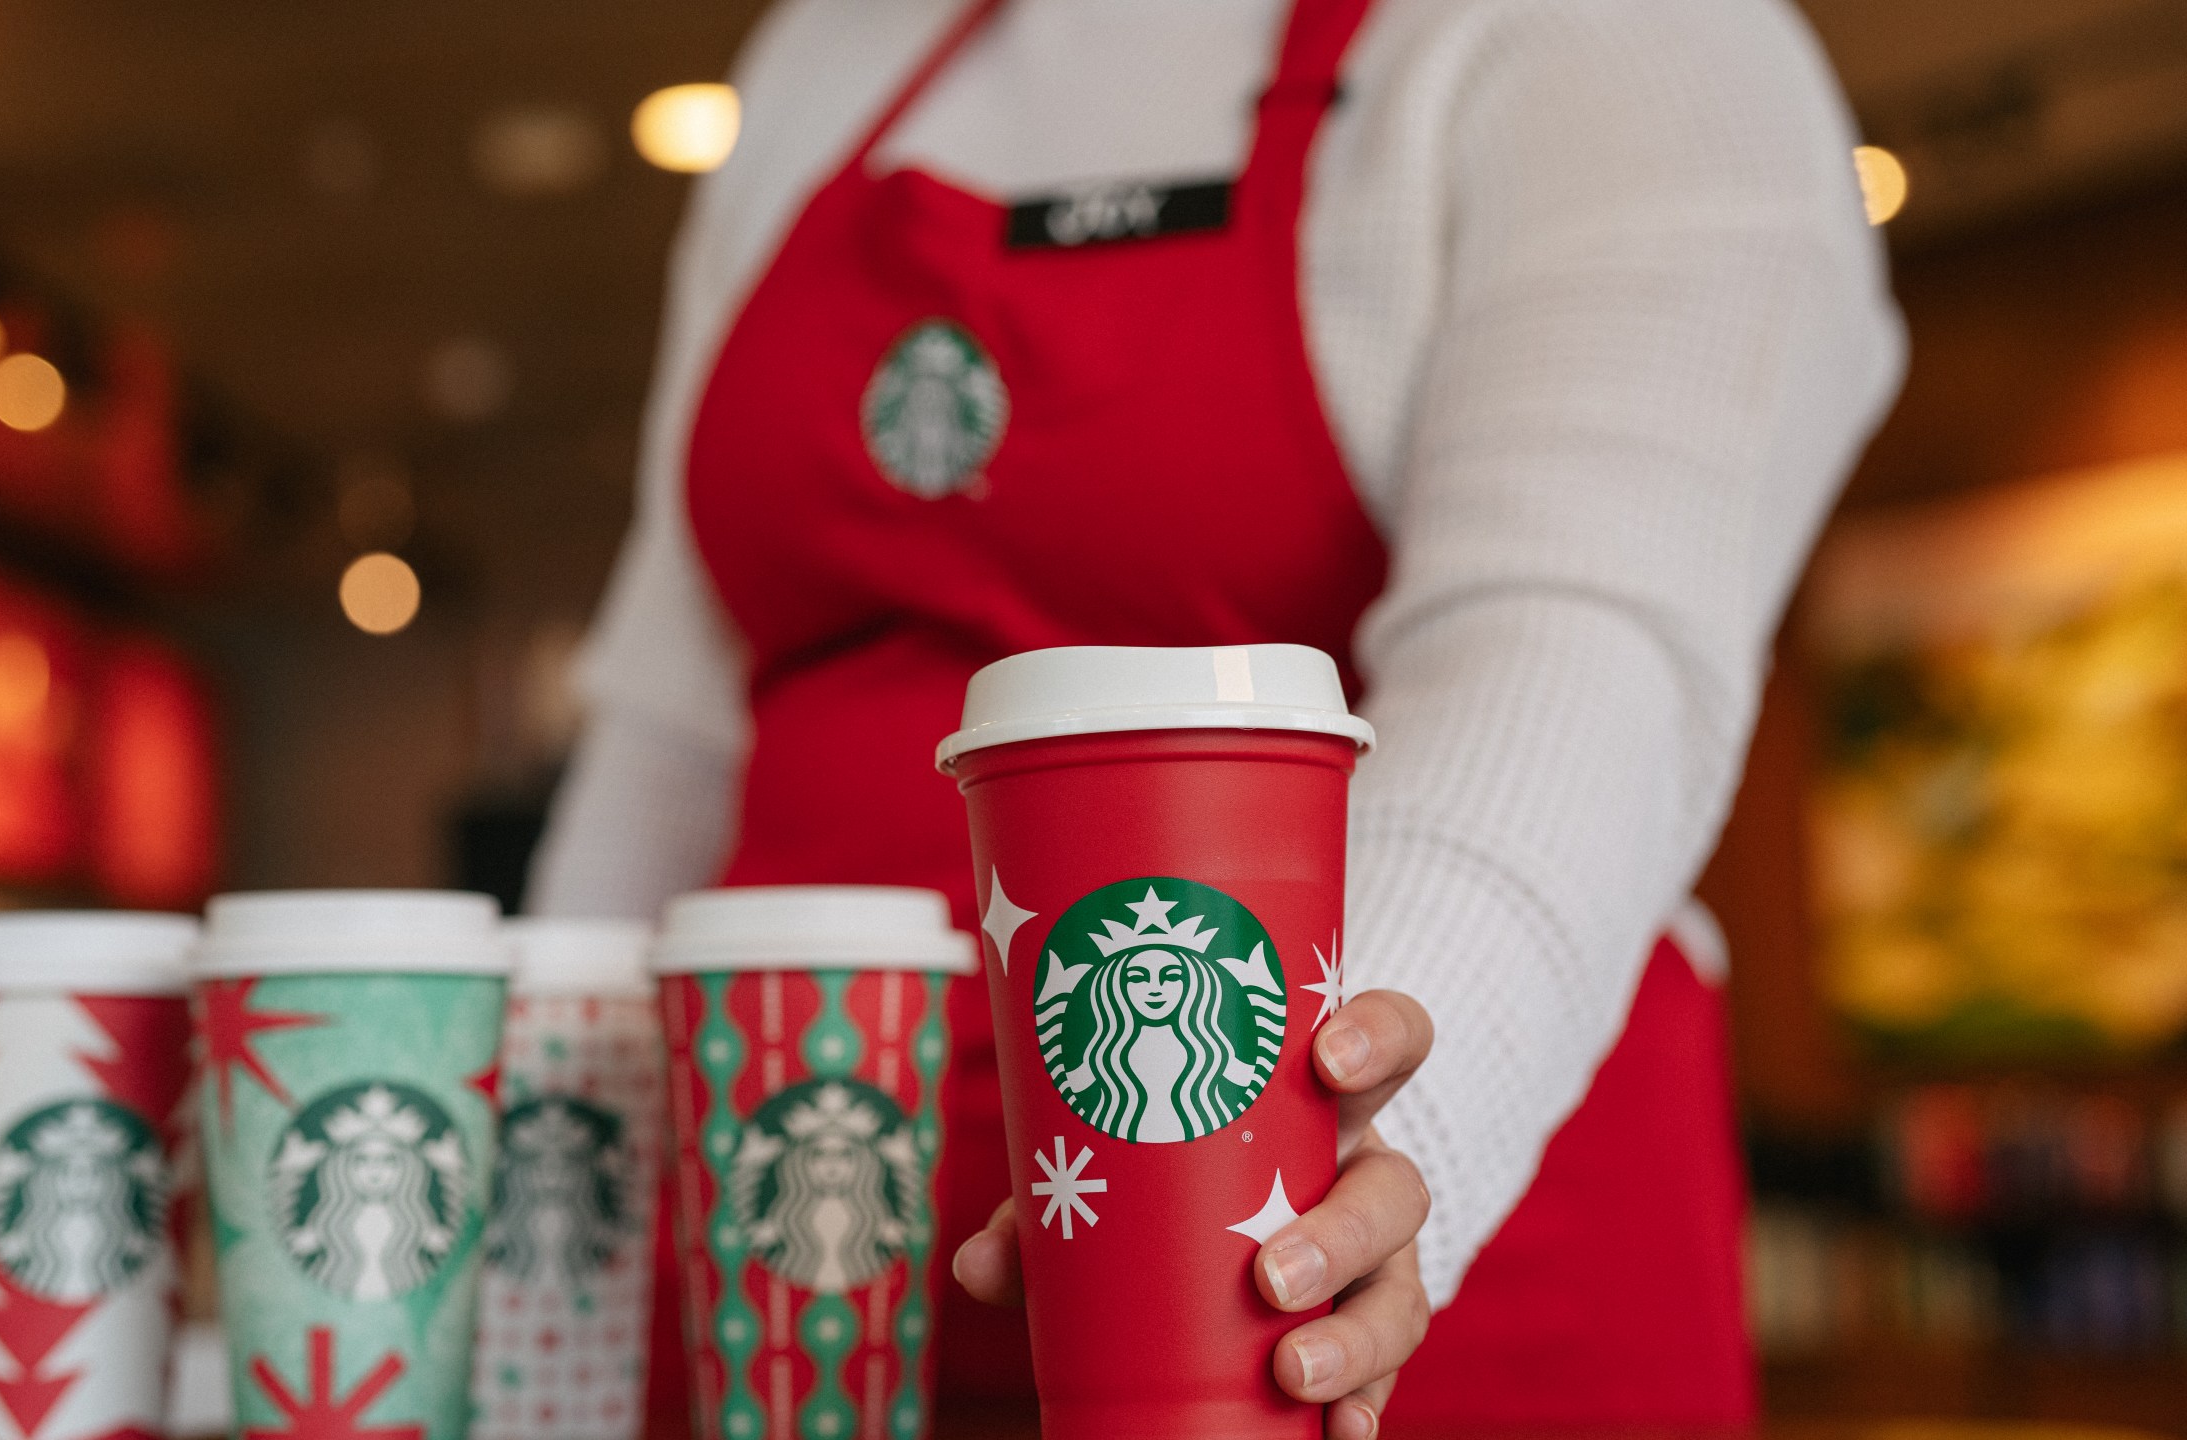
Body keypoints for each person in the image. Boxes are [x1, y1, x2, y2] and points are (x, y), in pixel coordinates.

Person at [529, 0, 1904, 1429]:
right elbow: (673, 741)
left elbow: (1577, 666)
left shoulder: (1633, 39)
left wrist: (1313, 1167)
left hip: (1353, 1306)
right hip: (803, 1320)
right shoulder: (827, 54)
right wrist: (538, 1200)